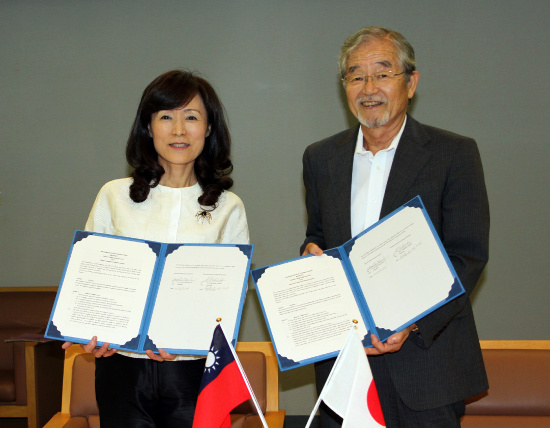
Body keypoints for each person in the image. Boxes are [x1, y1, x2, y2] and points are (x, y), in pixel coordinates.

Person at [301, 26, 489, 427]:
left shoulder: (454, 153)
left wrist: (413, 321)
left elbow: (467, 255)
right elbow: (317, 235)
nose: (369, 87)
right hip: (346, 366)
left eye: (383, 73)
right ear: (344, 86)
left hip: (427, 366)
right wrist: (310, 258)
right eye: (356, 75)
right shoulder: (320, 158)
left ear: (411, 82)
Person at [62, 70, 249, 427]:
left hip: (192, 369)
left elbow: (231, 297)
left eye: (191, 117)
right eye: (166, 117)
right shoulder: (114, 195)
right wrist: (88, 330)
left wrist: (191, 339)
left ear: (208, 129)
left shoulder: (229, 207)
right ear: (148, 127)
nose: (179, 130)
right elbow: (89, 278)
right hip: (121, 366)